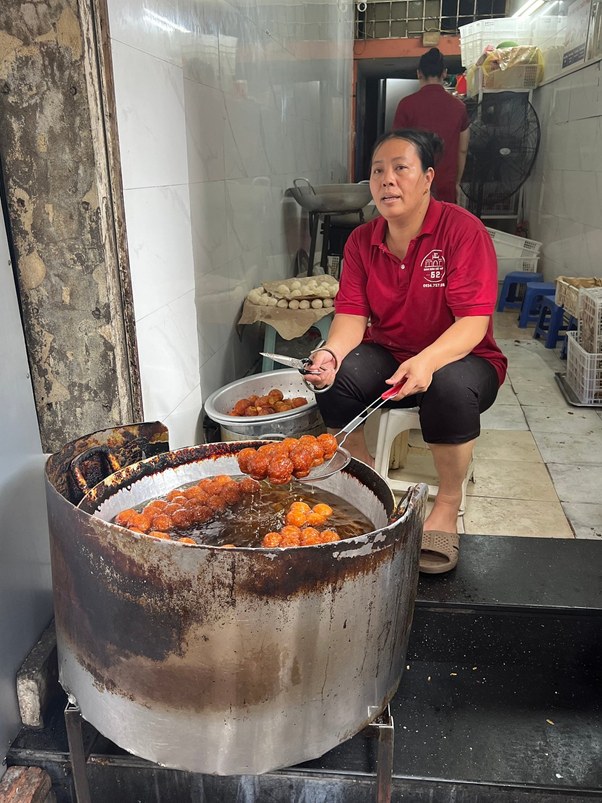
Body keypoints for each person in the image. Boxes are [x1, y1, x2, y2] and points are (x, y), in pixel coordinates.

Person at [303, 129, 507, 574]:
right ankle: (365, 476)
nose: (387, 181)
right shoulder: (361, 241)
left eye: (401, 168)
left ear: (428, 177)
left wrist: (428, 361)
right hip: (391, 351)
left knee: (448, 388)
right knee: (335, 380)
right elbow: (352, 317)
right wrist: (331, 354)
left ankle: (446, 505)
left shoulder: (461, 231)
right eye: (378, 171)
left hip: (465, 358)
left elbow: (473, 322)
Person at [393, 48, 469, 204]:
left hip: (413, 185)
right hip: (445, 185)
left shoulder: (406, 105)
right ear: (444, 73)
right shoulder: (459, 107)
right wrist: (456, 182)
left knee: (414, 228)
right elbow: (463, 149)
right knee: (443, 227)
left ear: (419, 73)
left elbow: (395, 149)